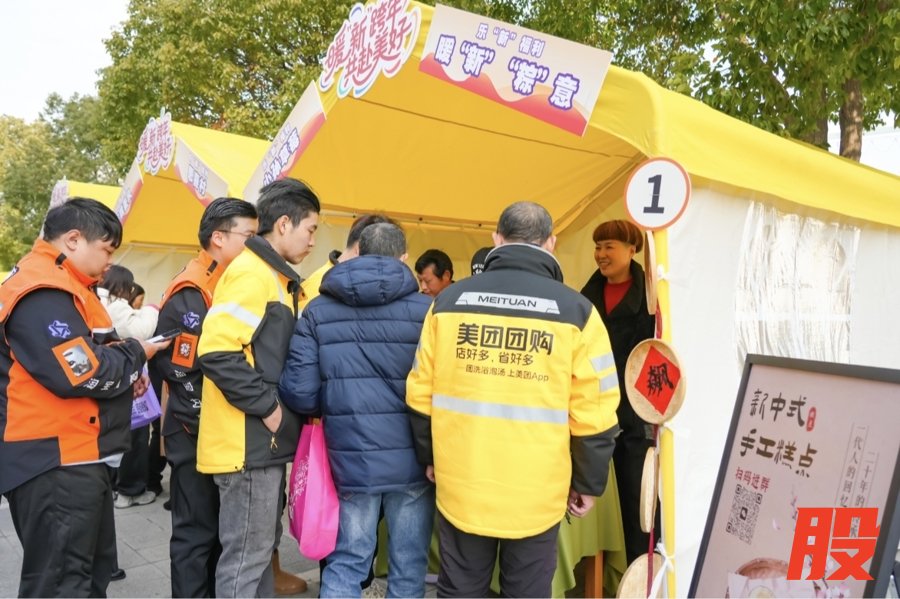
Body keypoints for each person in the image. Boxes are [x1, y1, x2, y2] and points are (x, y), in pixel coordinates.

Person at [406, 201, 620, 598]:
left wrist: (429, 457)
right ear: (551, 243)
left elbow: (419, 392)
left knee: (460, 589)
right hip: (537, 492)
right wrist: (587, 482)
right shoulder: (578, 312)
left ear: (496, 239)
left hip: (463, 482)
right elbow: (596, 410)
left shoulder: (448, 303)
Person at [0, 198, 169, 597]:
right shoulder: (43, 291)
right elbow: (82, 372)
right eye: (107, 249)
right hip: (55, 459)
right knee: (63, 583)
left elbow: (93, 353)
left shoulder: (72, 285)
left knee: (89, 575)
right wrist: (136, 355)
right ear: (74, 239)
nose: (111, 261)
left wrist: (126, 376)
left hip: (77, 453)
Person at [279, 223, 434, 598]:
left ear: (358, 252)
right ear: (403, 258)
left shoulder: (318, 311)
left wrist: (338, 404)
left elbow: (299, 392)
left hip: (349, 457)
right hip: (414, 460)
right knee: (409, 563)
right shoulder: (429, 311)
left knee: (347, 561)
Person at [196, 178, 320, 598]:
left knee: (258, 554)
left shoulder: (270, 275)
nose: (312, 241)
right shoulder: (252, 274)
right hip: (246, 444)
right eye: (310, 229)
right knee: (246, 559)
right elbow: (216, 352)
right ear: (284, 224)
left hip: (256, 442)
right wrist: (270, 410)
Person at [151, 197, 260, 597]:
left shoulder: (226, 280)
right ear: (218, 238)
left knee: (219, 532)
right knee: (195, 533)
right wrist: (209, 419)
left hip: (218, 430)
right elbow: (180, 370)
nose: (255, 244)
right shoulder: (192, 289)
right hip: (193, 429)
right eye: (249, 235)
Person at [580, 219, 658, 565]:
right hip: (592, 411)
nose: (601, 254)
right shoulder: (584, 299)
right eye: (598, 247)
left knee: (635, 495)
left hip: (635, 415)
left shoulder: (653, 298)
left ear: (632, 249)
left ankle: (639, 569)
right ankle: (598, 572)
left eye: (609, 246)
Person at [99, 264, 161, 509]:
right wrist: (152, 309)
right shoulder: (115, 306)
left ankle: (117, 488)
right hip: (124, 380)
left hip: (107, 381)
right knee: (134, 437)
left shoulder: (95, 300)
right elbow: (140, 330)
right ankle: (129, 491)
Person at [299, 213, 399, 311]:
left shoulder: (343, 283)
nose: (383, 270)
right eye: (381, 260)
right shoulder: (318, 289)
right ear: (361, 248)